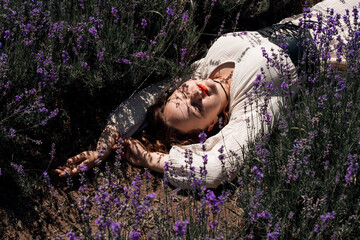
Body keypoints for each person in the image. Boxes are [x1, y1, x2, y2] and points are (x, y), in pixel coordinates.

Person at [55, 0, 358, 188]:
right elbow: (217, 168)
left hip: (333, 8)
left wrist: (102, 148)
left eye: (182, 93)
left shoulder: (204, 69)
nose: (194, 93)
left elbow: (142, 101)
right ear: (212, 126)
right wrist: (150, 160)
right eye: (197, 109)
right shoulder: (250, 109)